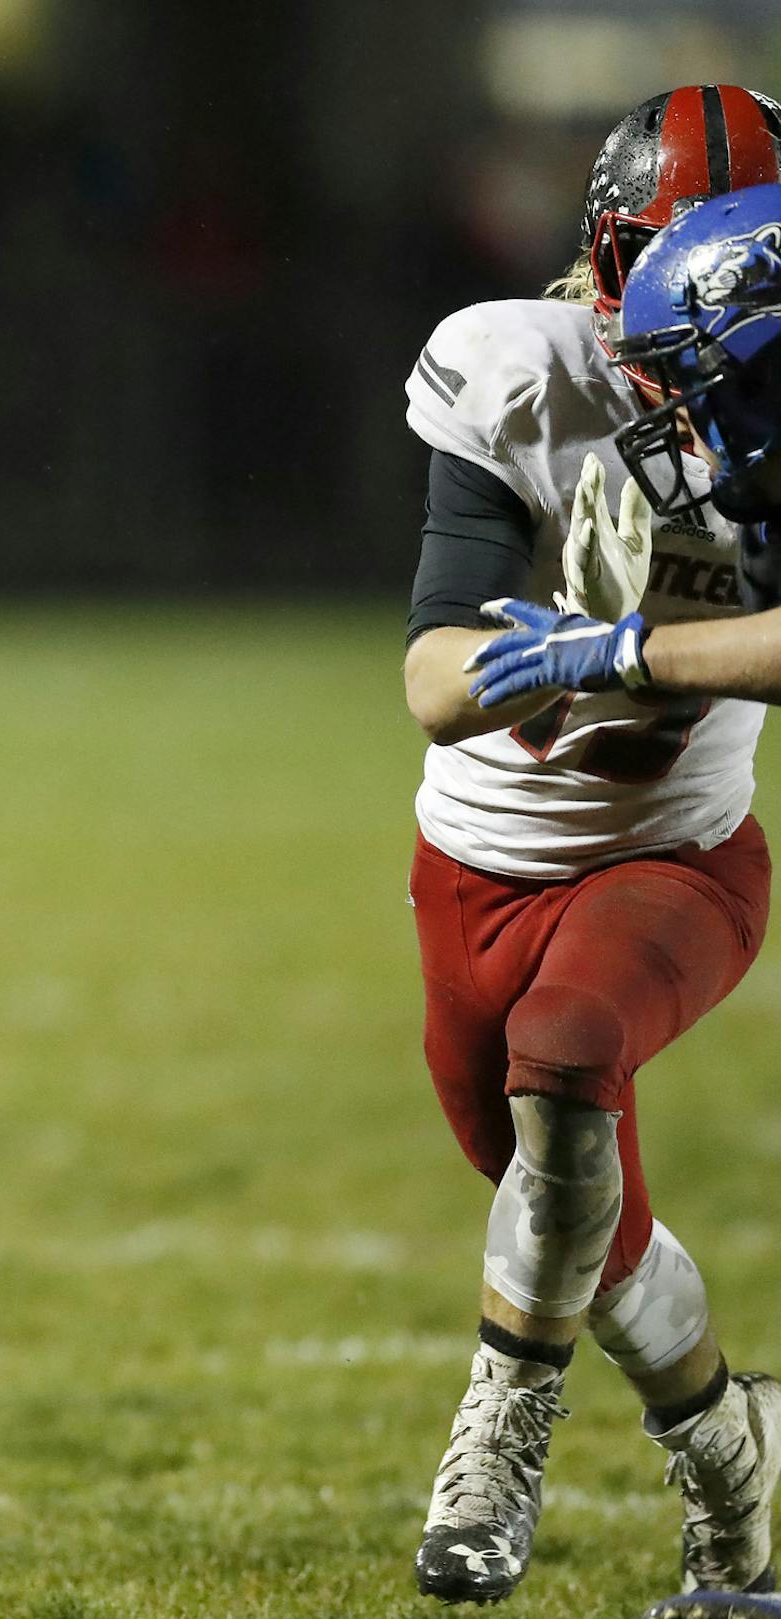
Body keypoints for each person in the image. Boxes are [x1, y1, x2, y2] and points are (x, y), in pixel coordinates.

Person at [399, 85, 781, 1607]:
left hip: (671, 861)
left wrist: (625, 654)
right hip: (472, 870)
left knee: (566, 1064)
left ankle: (494, 1446)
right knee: (580, 1221)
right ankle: (732, 1467)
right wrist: (531, 664)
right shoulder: (517, 368)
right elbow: (433, 679)